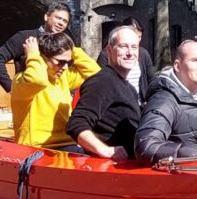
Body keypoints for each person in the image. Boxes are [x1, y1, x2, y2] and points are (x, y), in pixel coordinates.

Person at [135, 39, 197, 162]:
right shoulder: (165, 101)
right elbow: (145, 146)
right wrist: (188, 152)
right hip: (173, 177)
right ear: (177, 66)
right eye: (196, 61)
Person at [67, 26, 142, 161]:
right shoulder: (101, 82)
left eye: (134, 47)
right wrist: (105, 150)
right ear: (109, 50)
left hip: (130, 167)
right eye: (123, 46)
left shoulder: (129, 88)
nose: (130, 52)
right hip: (111, 172)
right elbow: (77, 123)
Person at [0, 3, 96, 92]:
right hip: (30, 99)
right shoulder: (25, 37)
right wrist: (11, 88)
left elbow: (87, 71)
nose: (61, 23)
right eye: (58, 18)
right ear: (46, 17)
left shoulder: (66, 44)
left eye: (65, 21)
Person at [11, 32, 93, 147]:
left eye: (68, 62)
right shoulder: (22, 81)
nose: (65, 67)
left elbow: (95, 75)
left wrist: (72, 49)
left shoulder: (63, 77)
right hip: (38, 148)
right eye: (60, 62)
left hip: (69, 144)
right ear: (43, 58)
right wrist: (33, 54)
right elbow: (37, 80)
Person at [95, 16, 155, 101]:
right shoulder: (105, 55)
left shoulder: (144, 54)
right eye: (123, 46)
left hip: (140, 107)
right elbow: (100, 83)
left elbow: (152, 81)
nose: (136, 40)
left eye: (139, 37)